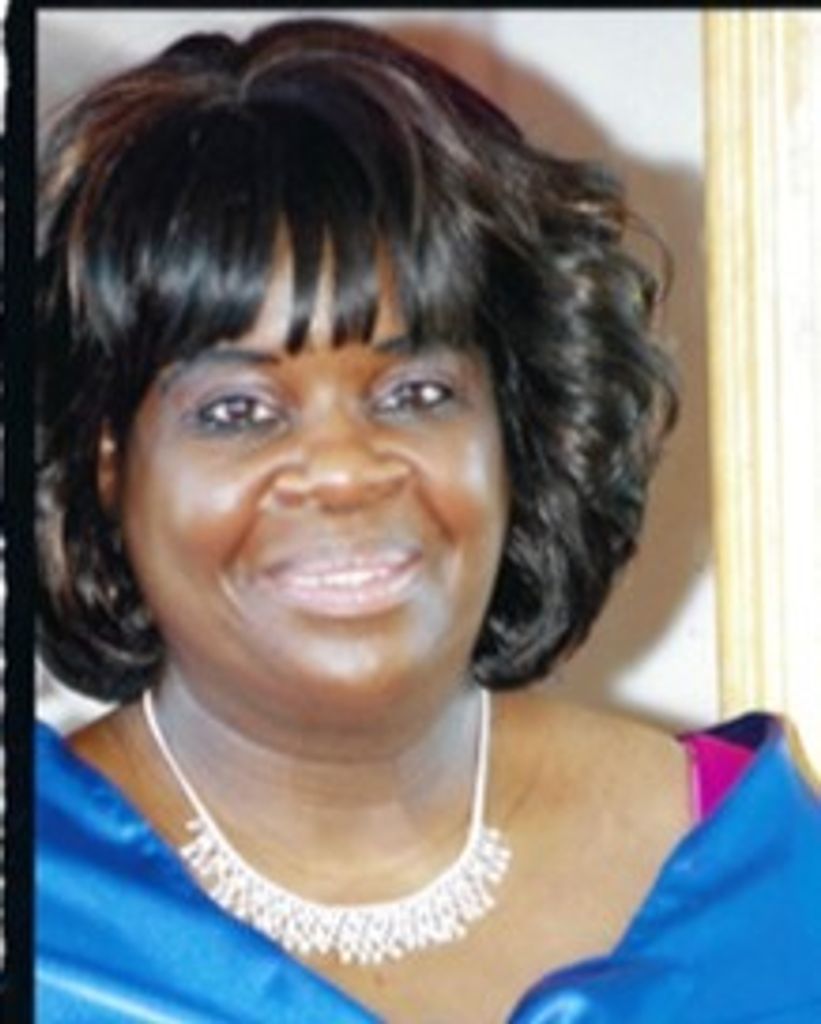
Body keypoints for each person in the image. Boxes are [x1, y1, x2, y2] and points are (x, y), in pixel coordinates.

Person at [35, 17, 821, 1024]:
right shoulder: (47, 908)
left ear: (515, 429)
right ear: (107, 466)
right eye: (237, 411)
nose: (345, 472)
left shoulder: (753, 884)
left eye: (414, 394)